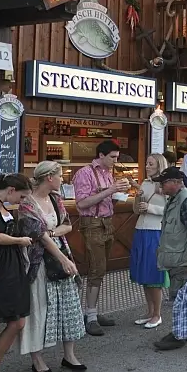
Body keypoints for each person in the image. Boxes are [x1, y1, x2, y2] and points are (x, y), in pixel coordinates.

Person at [18, 162, 85, 371]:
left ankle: (70, 355)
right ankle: (37, 360)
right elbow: (39, 236)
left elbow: (67, 225)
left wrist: (54, 232)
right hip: (38, 262)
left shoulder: (56, 199)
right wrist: (64, 259)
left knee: (69, 305)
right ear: (49, 178)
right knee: (39, 307)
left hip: (59, 253)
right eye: (60, 175)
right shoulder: (27, 204)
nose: (63, 179)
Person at [72, 139, 126, 336]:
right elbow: (82, 203)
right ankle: (91, 316)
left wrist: (118, 195)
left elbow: (105, 200)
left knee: (102, 269)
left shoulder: (108, 173)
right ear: (101, 155)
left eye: (117, 158)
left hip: (107, 223)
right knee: (97, 269)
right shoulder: (84, 173)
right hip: (92, 224)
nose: (115, 161)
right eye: (112, 157)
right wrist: (111, 190)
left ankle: (92, 311)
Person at [151, 167, 187, 351]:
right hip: (178, 256)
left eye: (164, 182)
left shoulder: (186, 199)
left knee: (180, 298)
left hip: (183, 258)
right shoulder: (176, 198)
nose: (161, 185)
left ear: (176, 182)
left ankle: (178, 334)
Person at [0, 174, 34, 372]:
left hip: (11, 269)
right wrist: (19, 240)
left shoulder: (2, 208)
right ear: (11, 190)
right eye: (22, 197)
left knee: (18, 321)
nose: (22, 201)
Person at [130, 154, 169, 329]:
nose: (147, 166)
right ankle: (149, 311)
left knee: (154, 274)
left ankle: (157, 314)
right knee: (144, 273)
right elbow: (136, 210)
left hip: (155, 231)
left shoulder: (166, 186)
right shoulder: (145, 183)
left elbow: (170, 209)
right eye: (146, 163)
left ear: (159, 165)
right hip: (141, 229)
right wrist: (138, 199)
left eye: (151, 164)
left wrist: (150, 208)